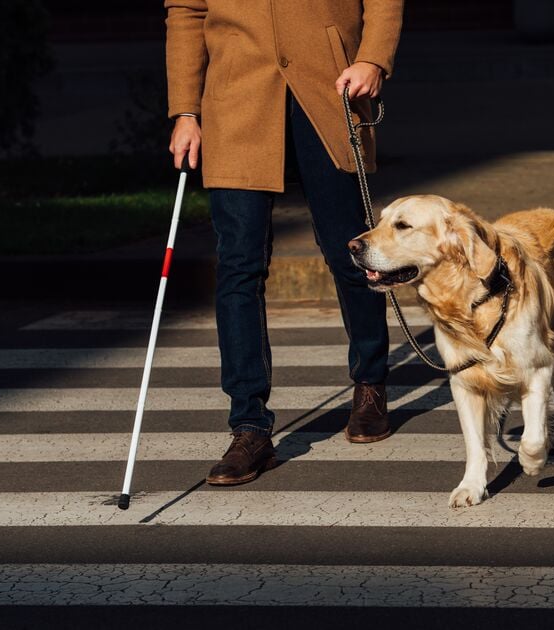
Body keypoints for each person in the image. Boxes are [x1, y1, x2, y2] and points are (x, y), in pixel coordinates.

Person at [164, 1, 405, 486]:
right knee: (238, 266)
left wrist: (373, 58)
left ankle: (370, 384)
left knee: (352, 252)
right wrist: (186, 110)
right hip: (235, 102)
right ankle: (249, 426)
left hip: (329, 87)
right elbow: (186, 12)